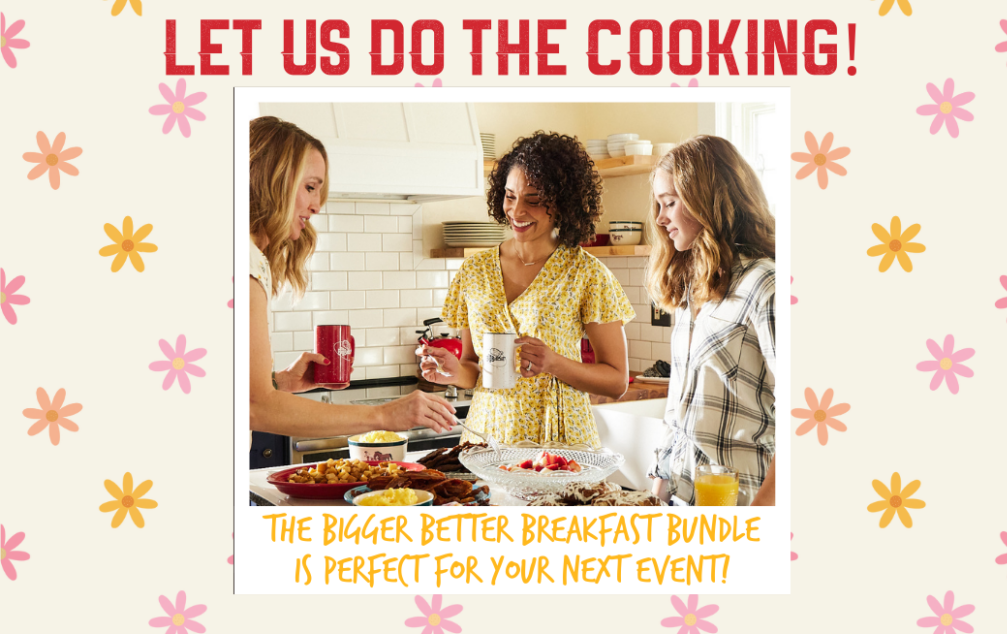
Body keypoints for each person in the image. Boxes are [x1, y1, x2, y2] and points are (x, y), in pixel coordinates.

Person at [418, 131, 635, 447]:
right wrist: (451, 372)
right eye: (510, 195)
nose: (517, 211)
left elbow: (616, 381)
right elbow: (473, 366)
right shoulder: (473, 271)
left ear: (562, 204)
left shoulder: (587, 274)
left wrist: (554, 363)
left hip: (559, 441)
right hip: (486, 440)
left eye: (533, 200)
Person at [248, 116, 456, 442]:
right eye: (310, 187)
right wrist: (385, 414)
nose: (316, 206)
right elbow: (256, 407)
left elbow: (243, 396)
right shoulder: (243, 264)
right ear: (273, 179)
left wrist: (281, 382)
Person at [645, 135, 777, 506]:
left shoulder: (764, 285)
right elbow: (677, 417)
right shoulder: (692, 290)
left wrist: (760, 517)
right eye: (659, 204)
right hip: (682, 501)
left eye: (670, 202)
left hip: (744, 504)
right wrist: (656, 496)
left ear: (708, 199)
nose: (660, 218)